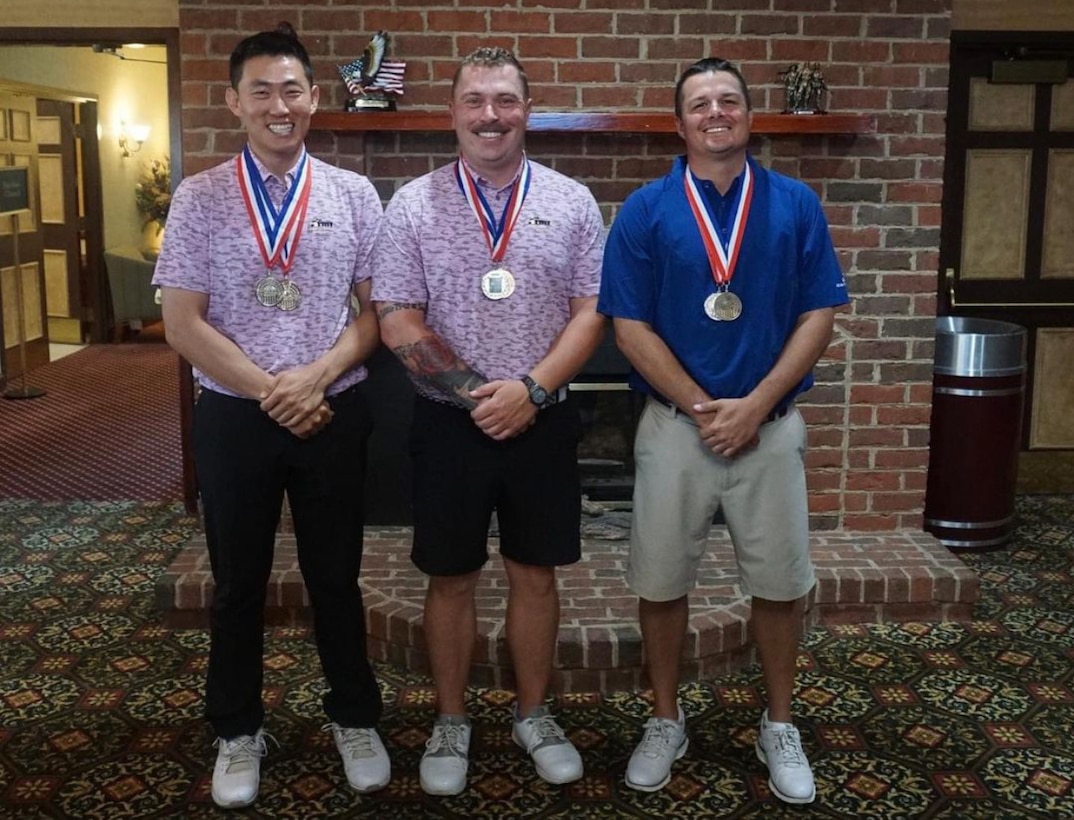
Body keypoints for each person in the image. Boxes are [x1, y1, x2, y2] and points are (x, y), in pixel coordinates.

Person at [598, 57, 848, 804]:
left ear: (749, 116)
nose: (716, 112)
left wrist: (754, 403)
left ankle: (778, 723)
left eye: (729, 101)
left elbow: (819, 314)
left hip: (768, 429)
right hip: (678, 429)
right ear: (679, 124)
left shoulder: (796, 205)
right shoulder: (645, 210)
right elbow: (627, 324)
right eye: (700, 104)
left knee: (779, 585)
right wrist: (706, 408)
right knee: (661, 580)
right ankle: (665, 718)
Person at [154, 22, 389, 809]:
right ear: (234, 102)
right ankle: (237, 730)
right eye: (261, 90)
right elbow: (182, 323)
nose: (278, 104)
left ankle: (354, 717)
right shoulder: (200, 197)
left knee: (336, 577)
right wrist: (270, 389)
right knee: (237, 584)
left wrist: (316, 378)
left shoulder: (354, 194)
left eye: (292, 89)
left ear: (315, 98)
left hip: (332, 410)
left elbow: (375, 315)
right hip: (235, 417)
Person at [371, 47, 605, 797]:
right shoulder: (413, 205)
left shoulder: (572, 202)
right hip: (448, 424)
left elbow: (592, 311)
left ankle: (533, 714)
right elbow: (396, 316)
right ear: (453, 113)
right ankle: (451, 718)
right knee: (450, 577)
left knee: (535, 575)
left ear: (526, 111)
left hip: (544, 422)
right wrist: (480, 394)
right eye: (475, 101)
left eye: (505, 100)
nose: (490, 115)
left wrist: (531, 391)